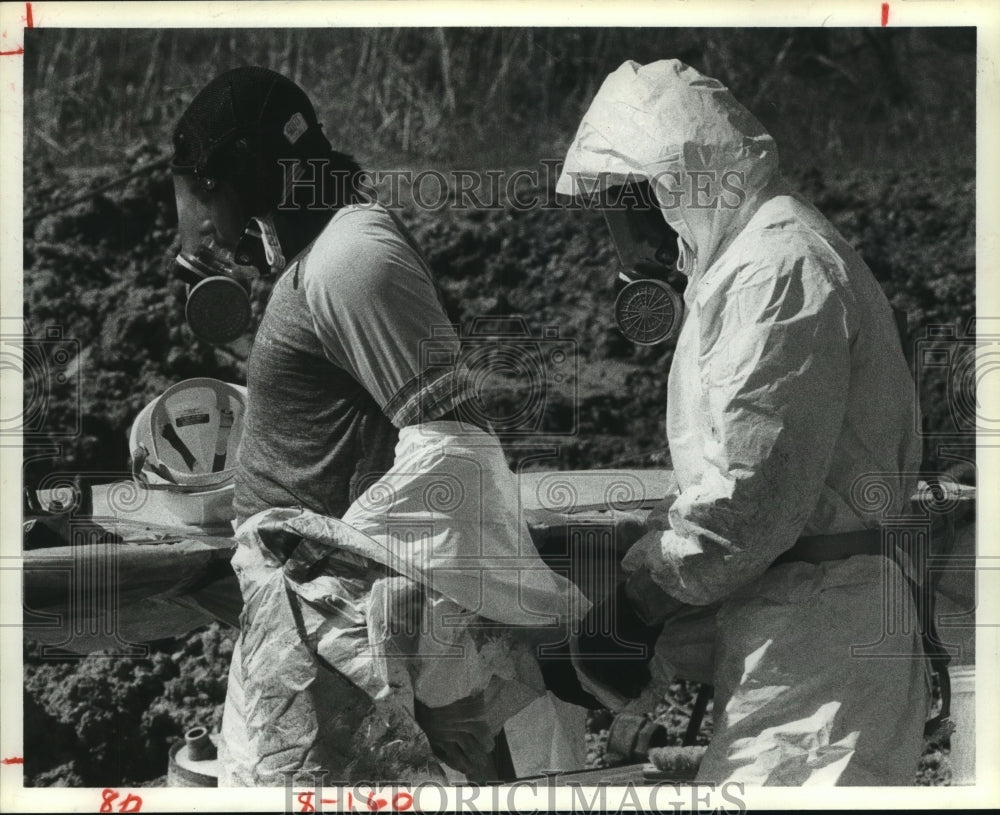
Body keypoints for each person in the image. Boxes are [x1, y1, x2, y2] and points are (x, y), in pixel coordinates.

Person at [169, 67, 589, 785]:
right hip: (320, 630)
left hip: (339, 638)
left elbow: (455, 458)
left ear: (244, 172)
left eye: (205, 191)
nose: (202, 220)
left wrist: (342, 591)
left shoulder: (351, 257)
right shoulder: (327, 255)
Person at [556, 59, 931, 785]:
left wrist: (634, 606)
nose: (623, 235)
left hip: (820, 658)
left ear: (669, 186)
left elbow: (748, 506)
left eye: (621, 203)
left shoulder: (776, 269)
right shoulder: (756, 258)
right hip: (804, 639)